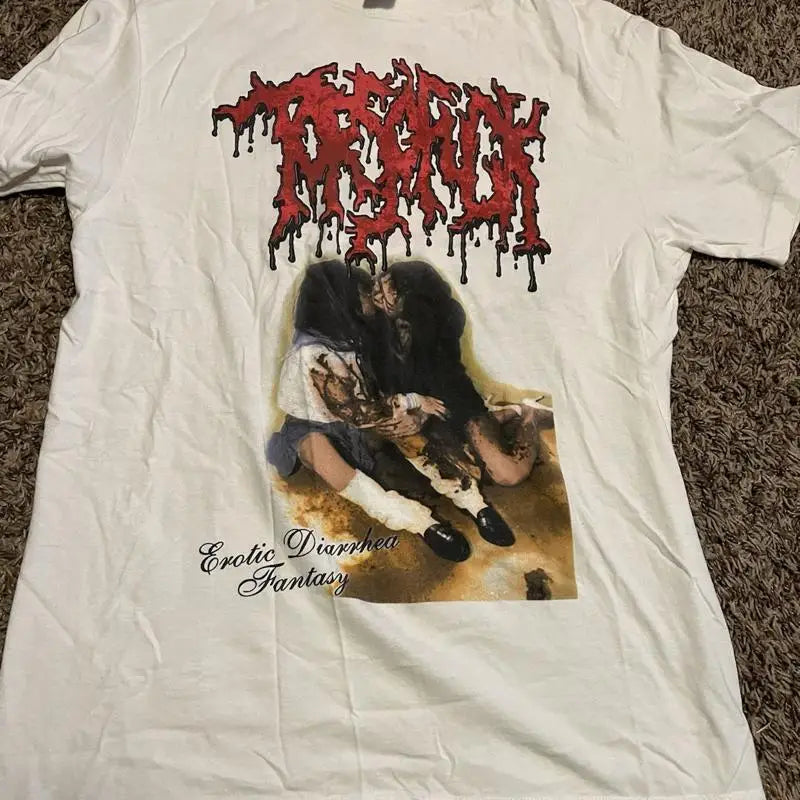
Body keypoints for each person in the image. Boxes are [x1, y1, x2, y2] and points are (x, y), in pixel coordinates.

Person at [268, 260, 506, 562]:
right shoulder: (313, 354)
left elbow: (368, 399)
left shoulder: (352, 339)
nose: (373, 299)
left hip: (358, 421)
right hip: (314, 427)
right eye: (365, 293)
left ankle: (474, 503)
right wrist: (412, 401)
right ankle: (420, 524)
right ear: (343, 301)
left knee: (405, 431)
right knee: (325, 456)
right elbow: (356, 411)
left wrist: (402, 416)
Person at [369, 260, 548, 495]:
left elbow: (449, 393)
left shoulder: (434, 332)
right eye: (378, 289)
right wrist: (402, 410)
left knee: (507, 474)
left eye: (391, 291)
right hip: (416, 416)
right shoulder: (375, 332)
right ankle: (504, 414)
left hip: (455, 409)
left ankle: (530, 415)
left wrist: (422, 412)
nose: (380, 297)